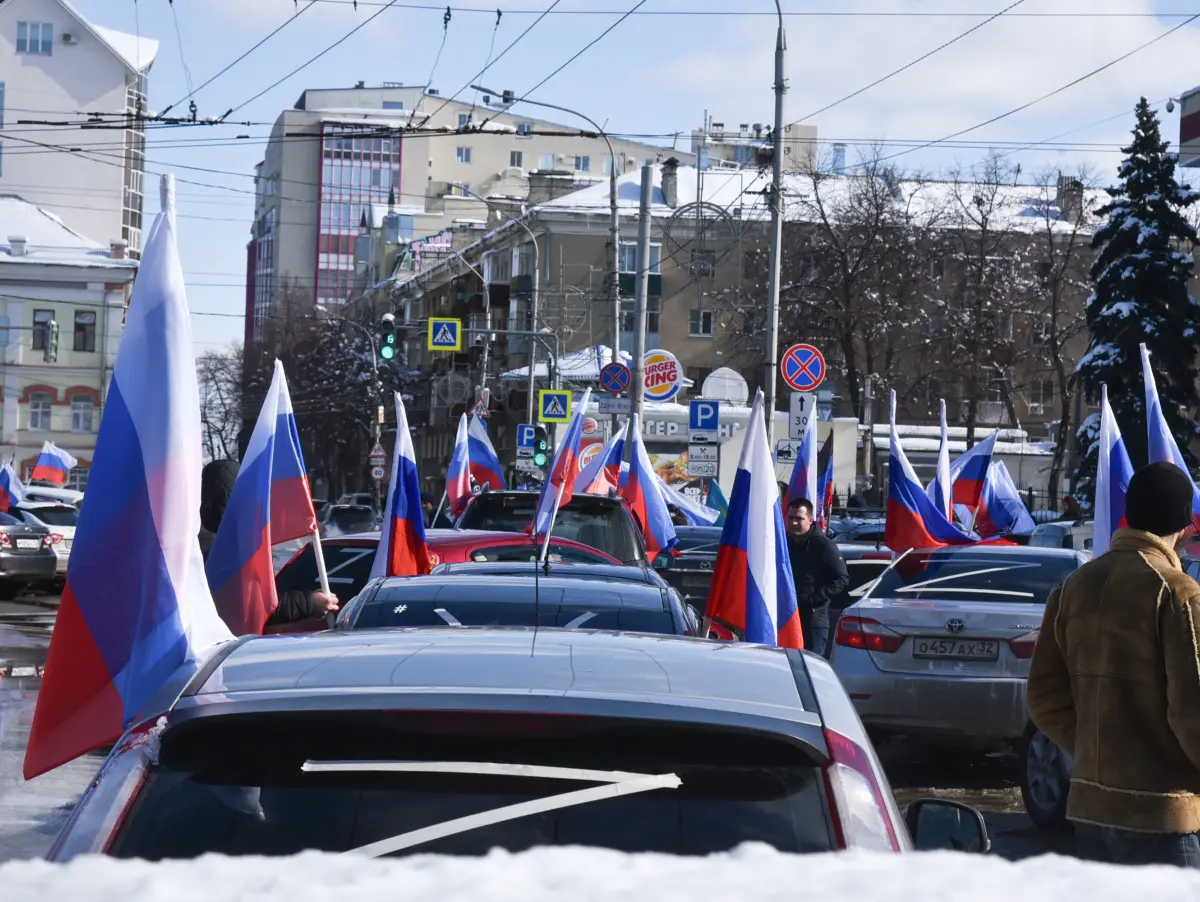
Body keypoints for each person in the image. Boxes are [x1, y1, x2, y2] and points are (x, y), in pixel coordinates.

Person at [1028, 462, 1200, 868]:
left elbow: (1042, 699)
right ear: (1183, 521)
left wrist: (1094, 752)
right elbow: (1193, 711)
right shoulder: (1177, 593)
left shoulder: (1072, 586)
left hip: (1091, 810)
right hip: (1162, 815)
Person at [198, 459, 339, 626]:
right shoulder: (226, 550)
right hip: (229, 646)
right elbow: (254, 604)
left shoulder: (192, 540)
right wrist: (310, 603)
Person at [785, 497, 848, 655]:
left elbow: (841, 579)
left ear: (810, 520)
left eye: (799, 518)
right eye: (791, 518)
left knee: (810, 671)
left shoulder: (823, 545)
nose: (794, 523)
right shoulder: (784, 543)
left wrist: (812, 599)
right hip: (788, 619)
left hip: (814, 622)